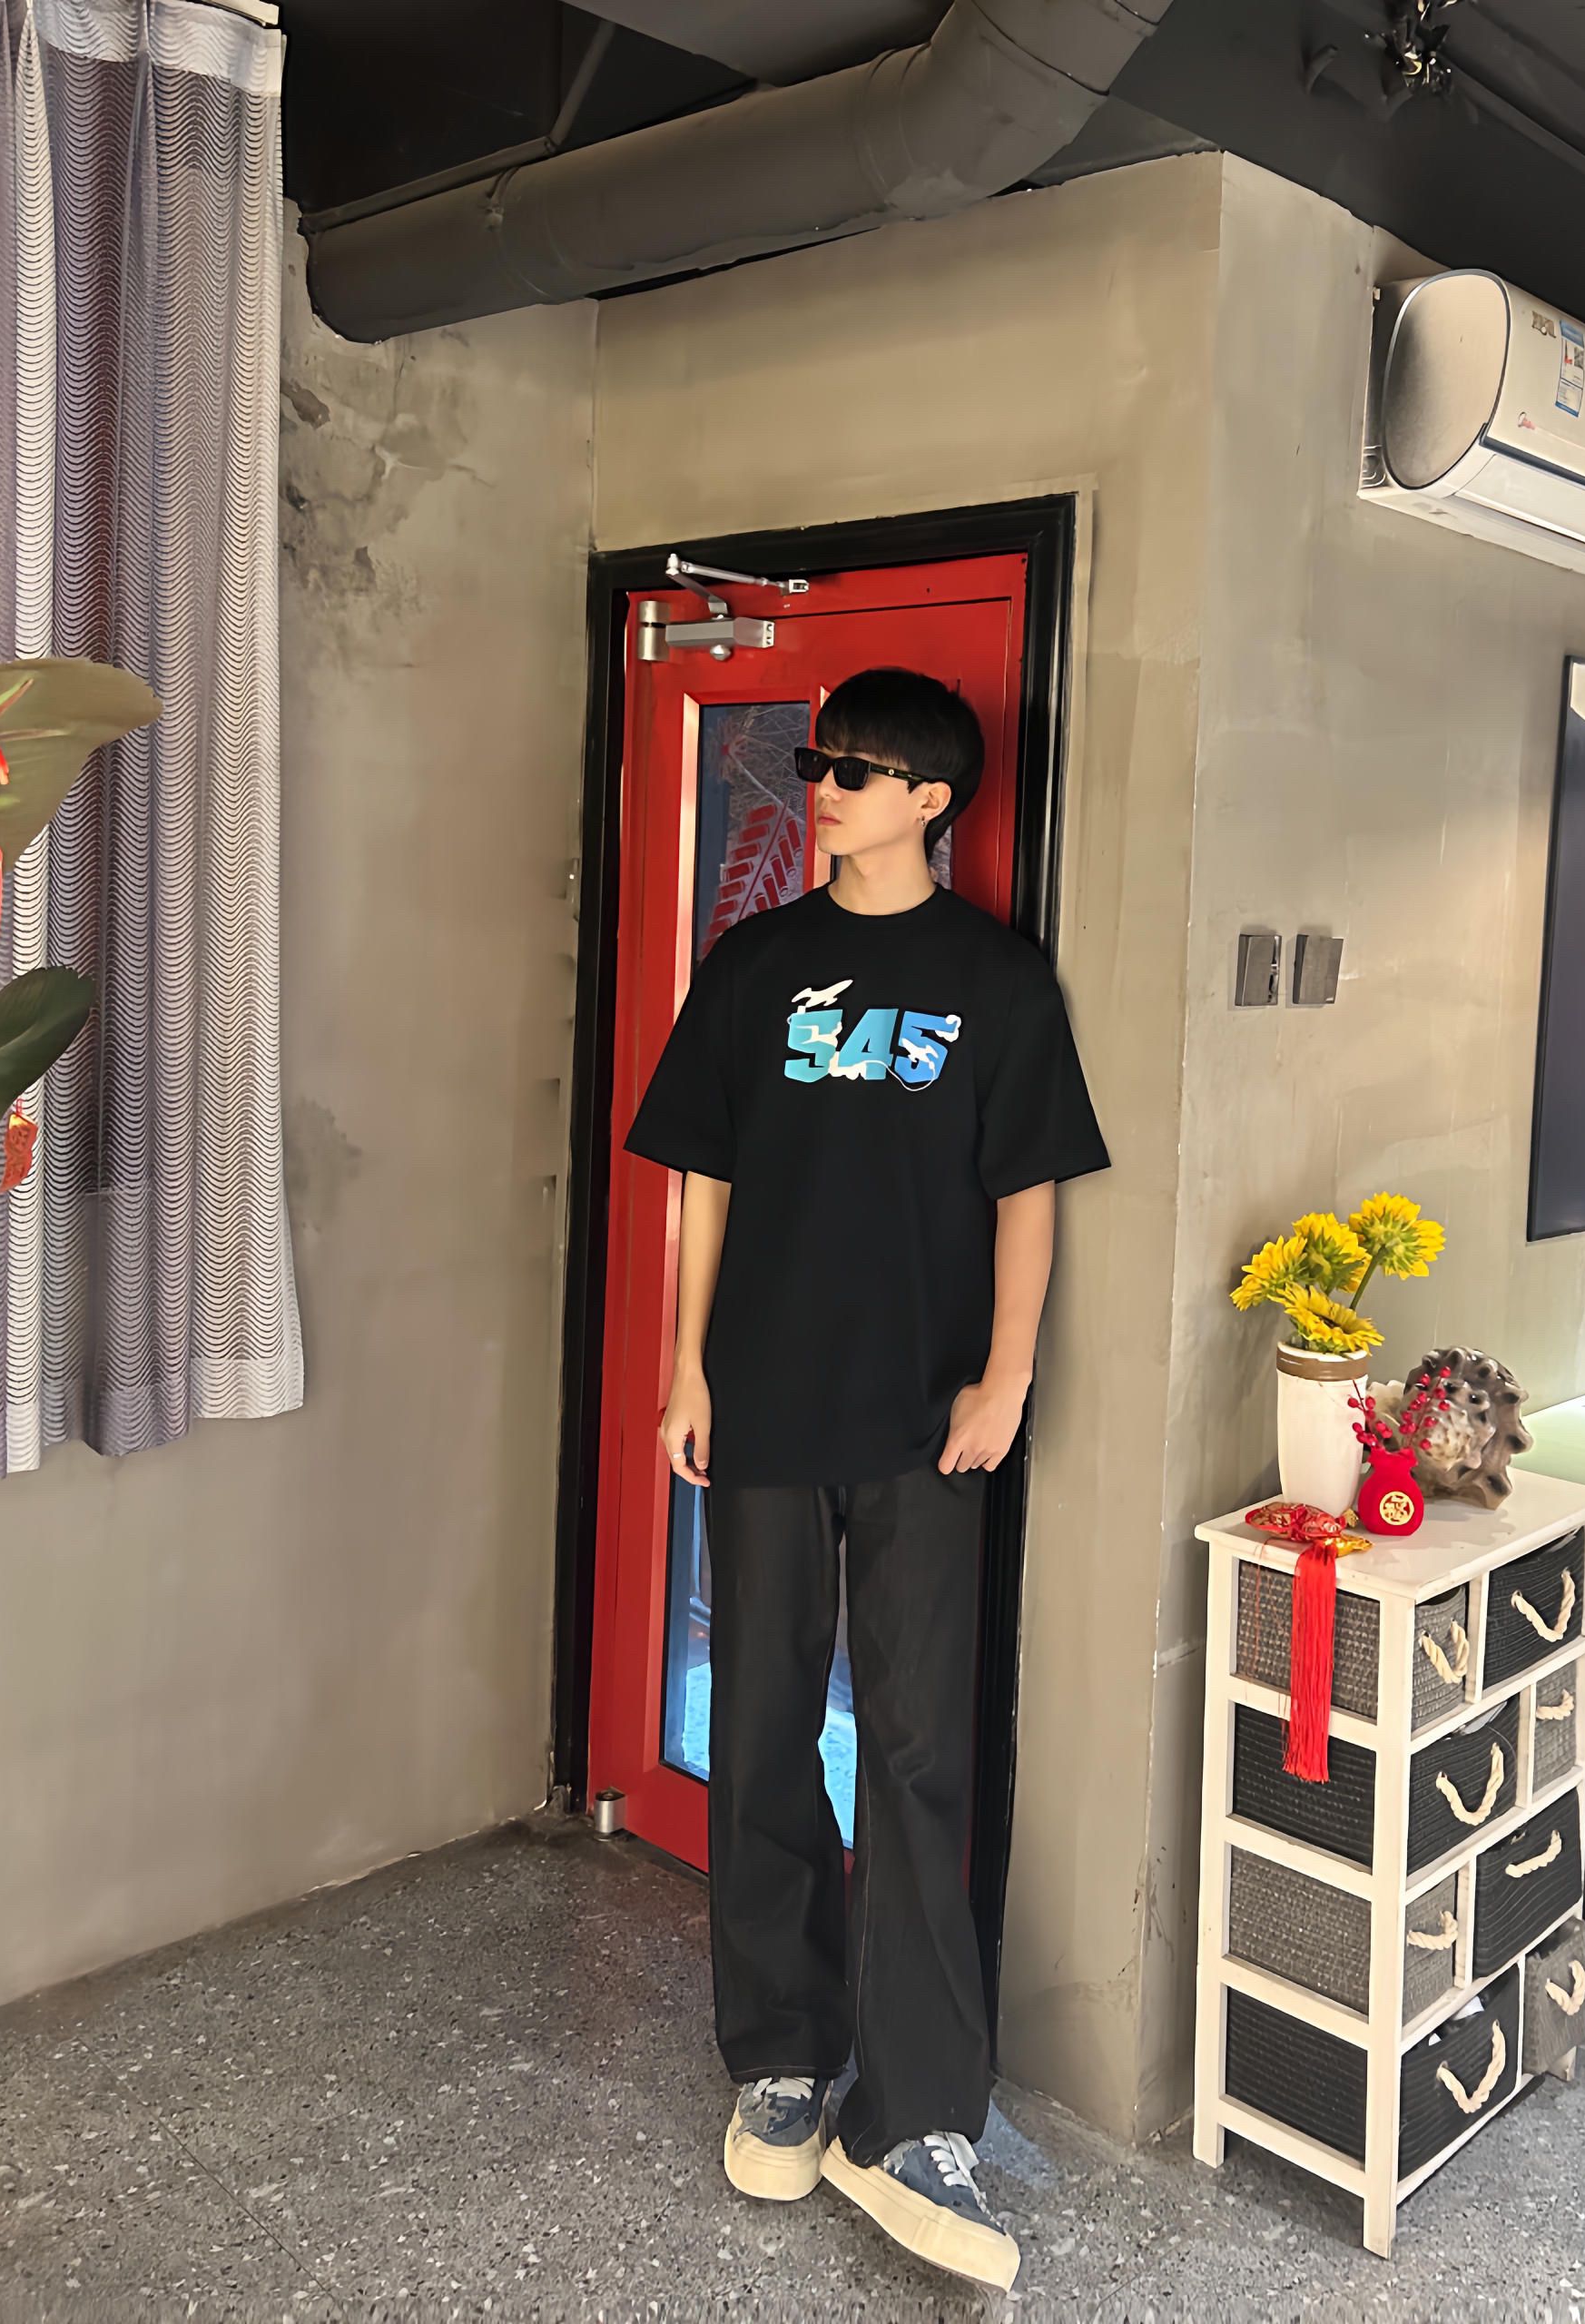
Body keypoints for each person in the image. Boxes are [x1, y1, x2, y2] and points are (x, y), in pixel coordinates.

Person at [624, 665, 1108, 2293]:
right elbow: (703, 1175)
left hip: (923, 1421)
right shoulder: (754, 966)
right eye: (821, 761)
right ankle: (780, 2052)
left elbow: (1030, 1190)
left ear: (930, 802)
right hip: (763, 1402)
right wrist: (687, 1366)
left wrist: (1008, 1378)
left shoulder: (996, 979)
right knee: (764, 1723)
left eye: (856, 767)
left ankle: (916, 2116)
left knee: (914, 1751)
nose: (822, 785)